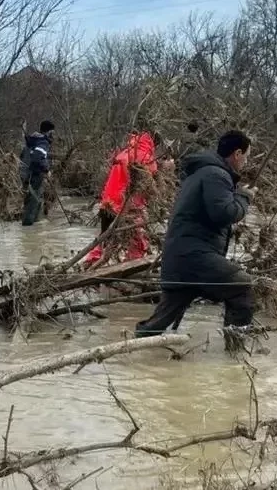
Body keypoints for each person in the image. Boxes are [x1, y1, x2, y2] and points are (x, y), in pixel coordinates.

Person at [135, 130, 256, 348]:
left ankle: (130, 352)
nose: (246, 162)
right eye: (246, 156)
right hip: (194, 257)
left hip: (180, 257)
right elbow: (223, 214)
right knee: (241, 285)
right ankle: (236, 357)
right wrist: (244, 198)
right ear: (237, 153)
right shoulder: (216, 175)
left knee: (156, 325)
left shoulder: (202, 172)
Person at [84, 130, 158, 265]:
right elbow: (149, 180)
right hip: (127, 204)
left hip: (108, 202)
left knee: (104, 235)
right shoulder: (145, 156)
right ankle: (134, 264)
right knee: (136, 237)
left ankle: (92, 260)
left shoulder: (123, 153)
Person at [19, 120, 54, 226]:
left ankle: (33, 226)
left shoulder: (32, 140)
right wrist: (46, 170)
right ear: (49, 132)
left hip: (26, 174)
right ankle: (28, 227)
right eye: (52, 132)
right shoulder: (42, 142)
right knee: (33, 201)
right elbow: (37, 158)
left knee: (32, 199)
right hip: (34, 174)